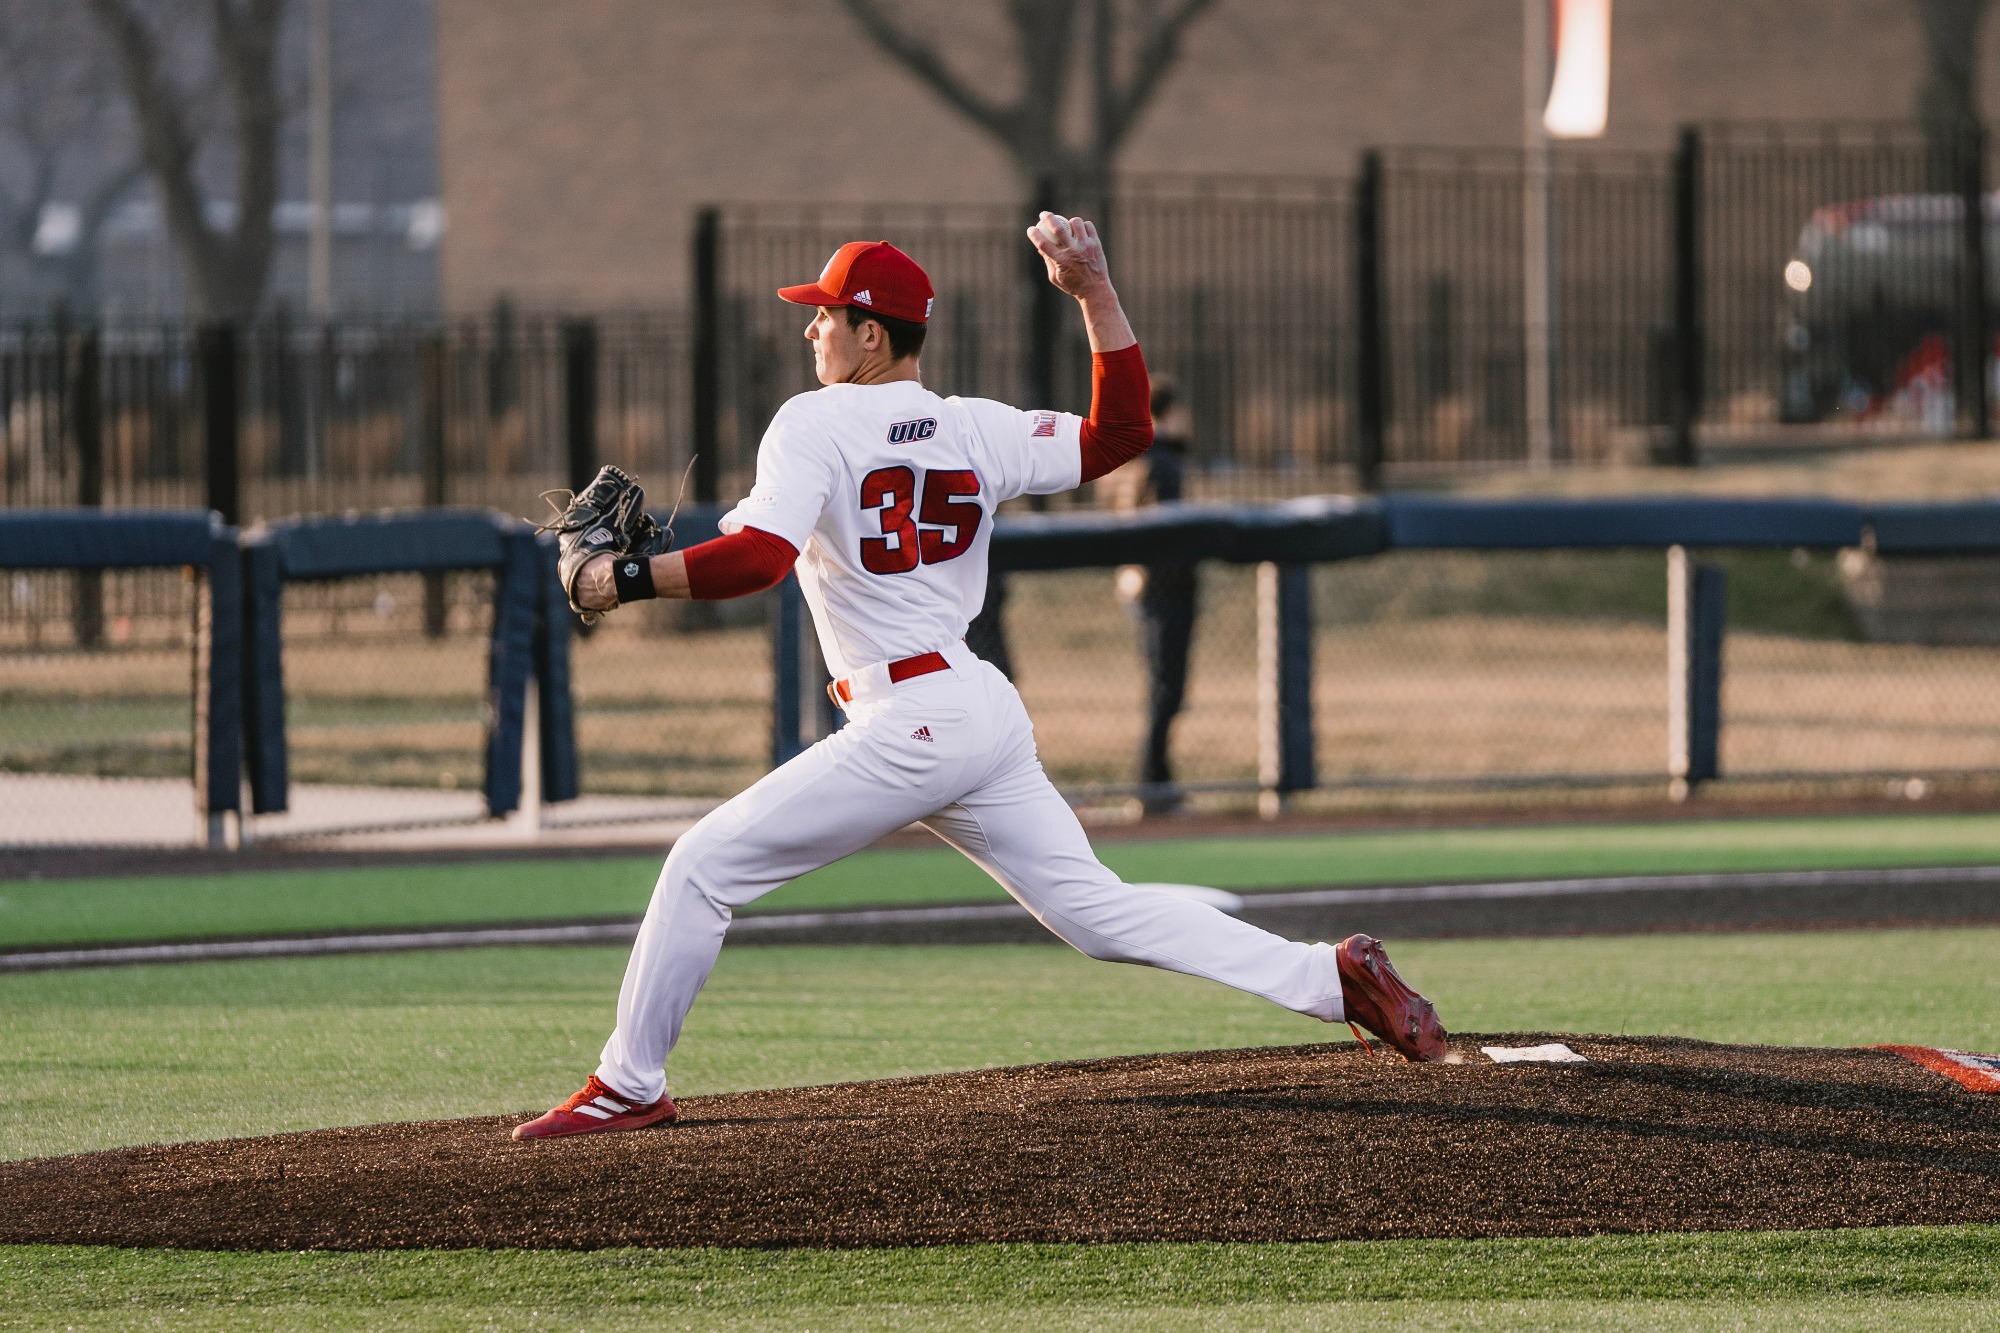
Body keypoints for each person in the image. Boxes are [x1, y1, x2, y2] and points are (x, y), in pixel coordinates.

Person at [513, 217, 1446, 1141]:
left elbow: (758, 559)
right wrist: (1094, 294)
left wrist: (617, 578)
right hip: (974, 709)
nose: (811, 329)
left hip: (907, 719)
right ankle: (1331, 976)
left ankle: (629, 1084)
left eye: (826, 314)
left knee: (701, 868)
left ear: (871, 334)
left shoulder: (812, 421)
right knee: (1096, 913)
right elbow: (1121, 429)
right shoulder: (974, 426)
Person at [1103, 376, 1199, 813]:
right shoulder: (1162, 462)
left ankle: (1156, 780)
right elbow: (1168, 534)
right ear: (1168, 413)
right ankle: (1153, 784)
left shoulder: (1131, 458)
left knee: (1162, 688)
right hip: (1165, 591)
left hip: (1141, 589)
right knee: (1167, 690)